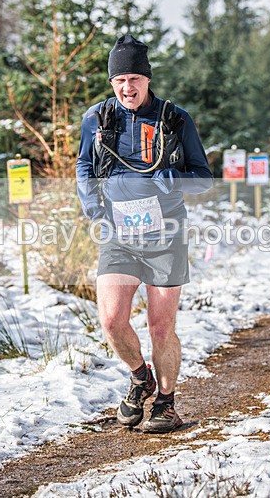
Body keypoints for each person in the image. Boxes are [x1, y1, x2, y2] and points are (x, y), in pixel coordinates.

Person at [76, 34, 213, 433]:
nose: (127, 87)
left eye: (135, 78)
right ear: (112, 82)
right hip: (119, 233)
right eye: (119, 80)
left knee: (160, 326)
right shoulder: (97, 119)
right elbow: (84, 167)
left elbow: (203, 179)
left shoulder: (174, 119)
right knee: (111, 319)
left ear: (148, 79)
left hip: (166, 234)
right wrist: (94, 211)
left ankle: (166, 404)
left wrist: (174, 180)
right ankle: (140, 377)